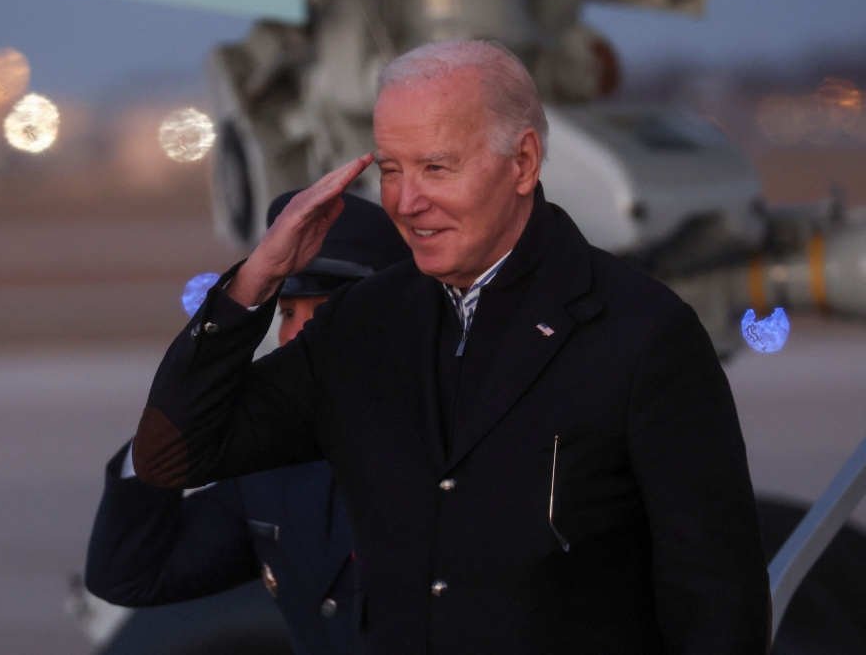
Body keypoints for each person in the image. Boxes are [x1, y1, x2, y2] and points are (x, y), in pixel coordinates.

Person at [132, 40, 770, 654]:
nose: (407, 203)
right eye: (389, 171)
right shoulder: (362, 325)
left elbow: (717, 601)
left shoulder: (640, 331)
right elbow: (173, 455)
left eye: (436, 167)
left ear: (521, 163)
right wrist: (255, 280)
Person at [84, 192, 411, 655]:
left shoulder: (444, 444)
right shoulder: (269, 473)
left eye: (322, 312)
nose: (296, 334)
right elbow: (131, 575)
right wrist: (174, 429)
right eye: (288, 313)